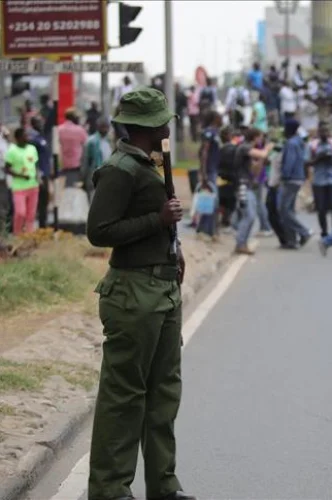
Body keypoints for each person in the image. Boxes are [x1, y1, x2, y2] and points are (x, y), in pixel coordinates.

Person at [85, 87, 195, 500]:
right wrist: (157, 218)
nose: (169, 124)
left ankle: (163, 485)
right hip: (133, 292)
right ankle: (111, 490)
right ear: (149, 126)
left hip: (163, 290)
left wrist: (174, 244)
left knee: (164, 392)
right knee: (124, 396)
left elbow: (155, 224)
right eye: (164, 119)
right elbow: (99, 232)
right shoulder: (120, 169)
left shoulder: (151, 163)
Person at [231, 128, 274, 255]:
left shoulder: (248, 152)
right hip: (242, 186)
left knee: (246, 214)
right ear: (255, 138)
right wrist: (267, 148)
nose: (261, 140)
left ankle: (241, 241)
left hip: (247, 185)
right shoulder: (244, 148)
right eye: (260, 137)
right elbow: (263, 154)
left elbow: (254, 172)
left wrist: (261, 161)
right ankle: (240, 243)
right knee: (249, 215)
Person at [306, 122, 332, 238]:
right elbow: (307, 162)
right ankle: (324, 232)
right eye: (322, 131)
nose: (324, 134)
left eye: (326, 131)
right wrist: (318, 158)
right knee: (321, 208)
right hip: (318, 180)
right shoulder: (312, 146)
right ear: (318, 133)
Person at [278, 118, 312, 249]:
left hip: (291, 179)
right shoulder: (299, 142)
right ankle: (292, 240)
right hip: (298, 177)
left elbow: (289, 162)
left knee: (284, 210)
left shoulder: (291, 143)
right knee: (289, 209)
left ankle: (304, 231)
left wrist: (284, 175)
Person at [4, 127, 39, 235]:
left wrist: (38, 176)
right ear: (18, 138)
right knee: (20, 213)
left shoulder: (32, 148)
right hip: (19, 187)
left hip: (33, 186)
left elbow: (35, 164)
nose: (27, 137)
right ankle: (17, 234)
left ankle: (28, 236)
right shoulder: (12, 150)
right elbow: (6, 168)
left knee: (31, 215)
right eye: (25, 136)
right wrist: (20, 176)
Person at [197, 111, 223, 239]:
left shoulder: (216, 132)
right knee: (211, 200)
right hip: (209, 170)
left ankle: (209, 230)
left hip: (214, 170)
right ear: (214, 118)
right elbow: (204, 153)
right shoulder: (208, 133)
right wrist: (204, 173)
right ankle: (205, 231)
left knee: (213, 201)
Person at [81, 118, 113, 201]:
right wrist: (83, 178)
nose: (105, 129)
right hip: (95, 177)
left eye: (106, 127)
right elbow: (85, 161)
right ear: (98, 127)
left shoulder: (109, 141)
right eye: (103, 127)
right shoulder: (91, 142)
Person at [28, 115, 51, 228]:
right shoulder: (33, 140)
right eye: (38, 122)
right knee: (41, 200)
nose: (41, 124)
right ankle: (40, 225)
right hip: (40, 174)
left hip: (46, 172)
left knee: (45, 199)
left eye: (41, 122)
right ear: (33, 124)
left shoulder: (42, 137)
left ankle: (44, 223)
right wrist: (37, 173)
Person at [57, 107, 89, 186]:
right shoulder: (80, 130)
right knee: (74, 191)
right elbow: (87, 144)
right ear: (74, 117)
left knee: (63, 191)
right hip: (76, 166)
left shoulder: (59, 129)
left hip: (63, 165)